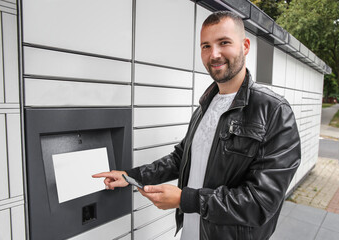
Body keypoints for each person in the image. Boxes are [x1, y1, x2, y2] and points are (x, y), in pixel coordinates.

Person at [93, 11, 301, 240]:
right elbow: (181, 158)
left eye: (224, 43)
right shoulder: (205, 106)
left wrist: (186, 200)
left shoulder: (274, 111)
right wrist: (131, 176)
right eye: (206, 46)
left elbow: (262, 203)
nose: (214, 54)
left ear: (245, 46)